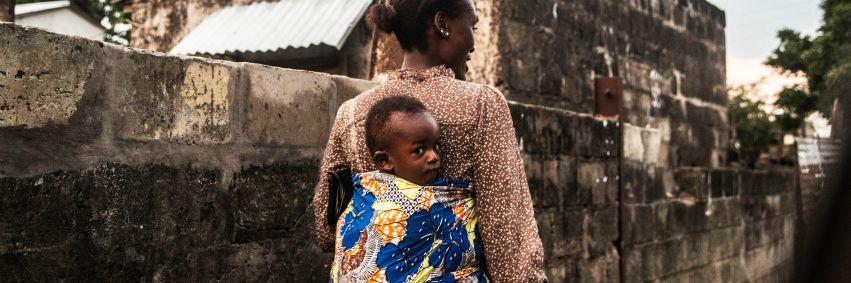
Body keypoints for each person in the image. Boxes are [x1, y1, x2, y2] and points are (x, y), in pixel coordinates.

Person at [311, 0, 546, 281]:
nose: (473, 42)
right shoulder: (482, 105)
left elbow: (326, 229)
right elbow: (507, 236)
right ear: (442, 24)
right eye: (471, 27)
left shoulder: (351, 112)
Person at [330, 96, 486, 282]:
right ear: (385, 161)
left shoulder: (446, 197)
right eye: (419, 150)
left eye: (435, 147)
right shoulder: (364, 195)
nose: (434, 156)